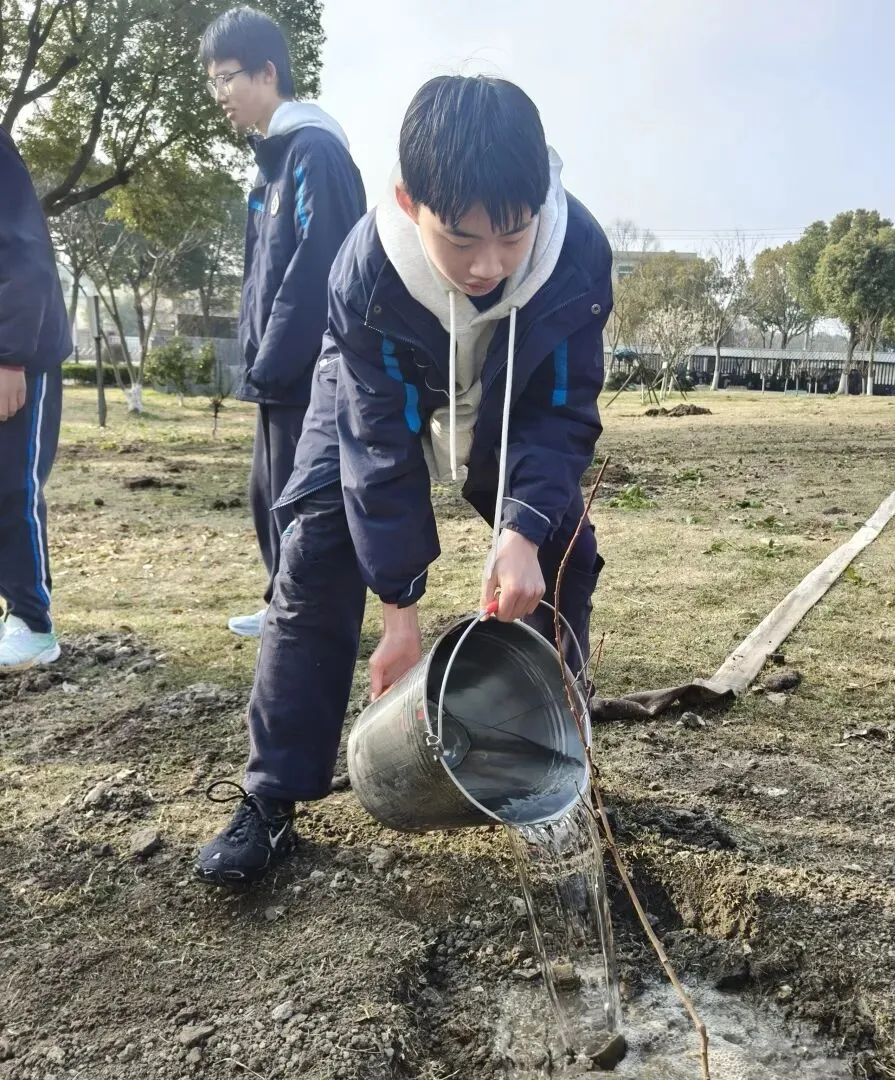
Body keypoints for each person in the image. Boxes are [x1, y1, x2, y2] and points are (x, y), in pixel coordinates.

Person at [194, 74, 612, 886]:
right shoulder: (367, 273)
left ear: (540, 201)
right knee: (316, 546)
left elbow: (560, 411)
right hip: (373, 389)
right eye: (461, 240)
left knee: (563, 549)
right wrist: (400, 610)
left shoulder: (576, 257)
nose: (489, 264)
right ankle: (271, 798)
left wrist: (522, 533)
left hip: (501, 391)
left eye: (513, 235)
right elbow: (376, 448)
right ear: (408, 198)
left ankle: (553, 767)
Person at [200, 6, 366, 637]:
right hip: (278, 370)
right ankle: (282, 601)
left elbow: (318, 265)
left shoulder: (314, 153)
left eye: (228, 78)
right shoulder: (273, 163)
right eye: (213, 82)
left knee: (305, 498)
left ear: (268, 72)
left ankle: (308, 611)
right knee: (268, 493)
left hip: (306, 370)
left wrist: (274, 359)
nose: (221, 95)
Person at [0, 129, 71, 669]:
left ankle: (33, 622)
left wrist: (10, 358)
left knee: (11, 486)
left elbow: (26, 259)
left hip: (17, 355)